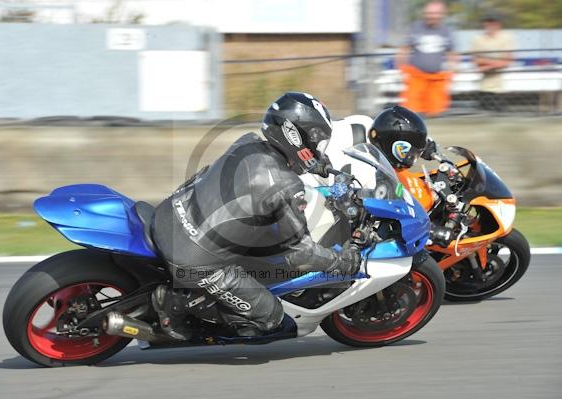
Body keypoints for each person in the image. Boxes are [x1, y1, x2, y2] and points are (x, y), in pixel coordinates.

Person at [150, 92, 362, 340]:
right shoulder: (286, 187)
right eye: (316, 141)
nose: (317, 148)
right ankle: (177, 306)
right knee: (272, 317)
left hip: (169, 215)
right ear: (296, 136)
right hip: (192, 259)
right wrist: (342, 263)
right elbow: (300, 255)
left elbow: (206, 177)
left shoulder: (247, 142)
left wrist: (318, 163)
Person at [367, 105, 455, 246]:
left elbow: (393, 134)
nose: (415, 156)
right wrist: (433, 232)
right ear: (397, 147)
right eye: (412, 153)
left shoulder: (372, 128)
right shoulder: (376, 180)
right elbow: (396, 216)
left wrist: (425, 147)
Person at [396, 1, 457, 117]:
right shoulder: (415, 27)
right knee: (411, 111)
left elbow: (451, 54)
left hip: (436, 79)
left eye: (435, 13)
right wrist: (401, 71)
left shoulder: (446, 31)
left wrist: (451, 74)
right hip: (416, 78)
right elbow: (404, 49)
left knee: (435, 111)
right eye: (429, 13)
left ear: (441, 14)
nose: (431, 16)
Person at [469, 11, 516, 111]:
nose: (490, 24)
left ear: (498, 23)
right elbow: (476, 61)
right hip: (483, 88)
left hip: (501, 88)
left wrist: (487, 65)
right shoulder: (478, 39)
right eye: (487, 21)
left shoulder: (506, 37)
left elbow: (507, 61)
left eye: (492, 21)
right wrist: (496, 63)